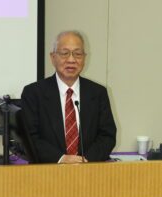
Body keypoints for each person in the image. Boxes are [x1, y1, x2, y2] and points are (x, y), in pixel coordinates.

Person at [21, 31, 116, 164]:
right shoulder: (33, 93)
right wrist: (61, 159)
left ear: (84, 58)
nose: (71, 60)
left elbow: (107, 136)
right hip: (46, 173)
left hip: (89, 172)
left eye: (77, 54)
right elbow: (29, 138)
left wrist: (84, 162)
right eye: (64, 53)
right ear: (52, 57)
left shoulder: (97, 93)